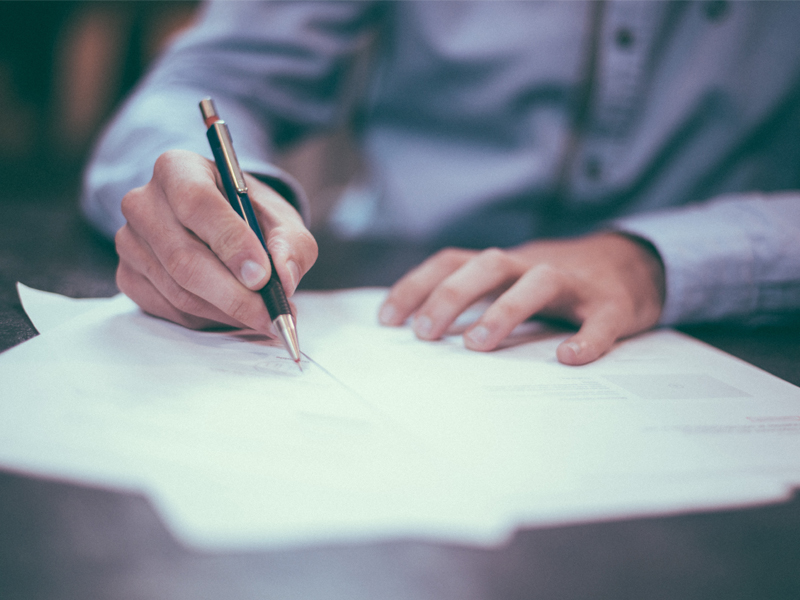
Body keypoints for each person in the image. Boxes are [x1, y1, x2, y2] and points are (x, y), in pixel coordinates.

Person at [82, 1, 800, 366]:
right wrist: (213, 201)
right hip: (390, 299)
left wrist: (655, 258)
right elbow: (203, 83)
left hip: (724, 331)